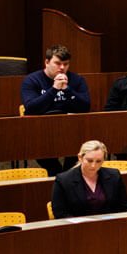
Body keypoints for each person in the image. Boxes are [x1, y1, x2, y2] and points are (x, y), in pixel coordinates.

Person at [50, 140, 127, 254]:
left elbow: (125, 208)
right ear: (80, 157)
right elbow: (60, 213)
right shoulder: (63, 180)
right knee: (83, 253)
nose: (94, 165)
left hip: (109, 232)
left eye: (99, 161)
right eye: (89, 160)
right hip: (79, 235)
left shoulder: (114, 176)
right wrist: (82, 227)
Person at [22, 45, 92, 174]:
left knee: (79, 151)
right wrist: (54, 89)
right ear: (47, 62)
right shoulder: (32, 80)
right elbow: (31, 109)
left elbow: (85, 106)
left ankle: (66, 175)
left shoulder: (77, 80)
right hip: (40, 131)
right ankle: (60, 175)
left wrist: (67, 90)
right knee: (49, 164)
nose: (62, 68)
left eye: (65, 64)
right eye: (57, 63)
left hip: (71, 130)